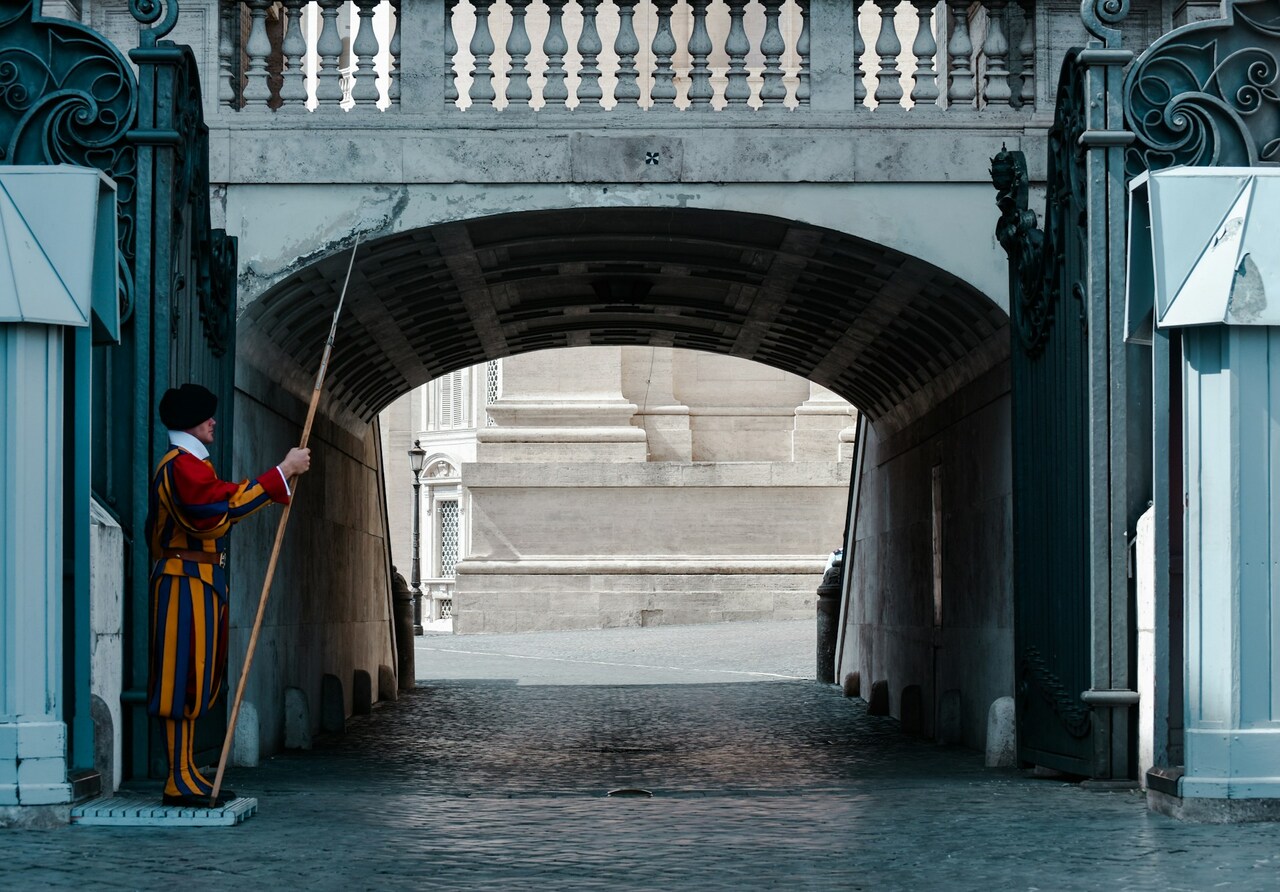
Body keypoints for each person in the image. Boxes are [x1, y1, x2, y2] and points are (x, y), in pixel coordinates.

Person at [145, 383, 311, 807]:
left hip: (197, 582)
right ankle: (177, 778)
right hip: (184, 581)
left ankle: (185, 773)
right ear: (190, 423)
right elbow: (219, 511)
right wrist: (283, 471)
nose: (213, 422)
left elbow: (221, 505)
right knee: (180, 680)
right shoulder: (183, 467)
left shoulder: (191, 466)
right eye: (206, 416)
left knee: (195, 678)